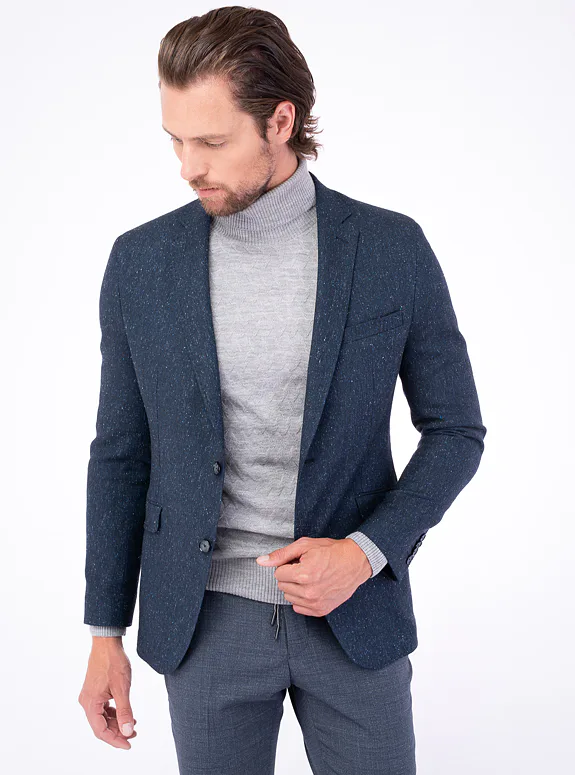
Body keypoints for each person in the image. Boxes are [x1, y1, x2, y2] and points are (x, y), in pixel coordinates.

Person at [78, 7, 486, 774]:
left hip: (352, 614)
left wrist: (363, 554)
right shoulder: (140, 263)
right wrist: (105, 631)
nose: (188, 166)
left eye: (211, 142)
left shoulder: (390, 249)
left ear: (280, 121)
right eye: (175, 140)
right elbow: (121, 454)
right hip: (202, 623)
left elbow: (455, 431)